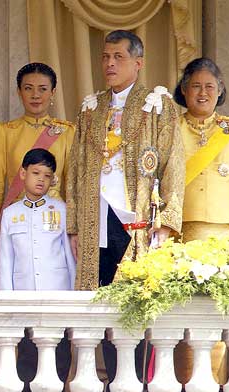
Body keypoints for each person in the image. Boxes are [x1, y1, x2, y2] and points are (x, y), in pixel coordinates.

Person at [66, 30, 185, 291]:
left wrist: (166, 223)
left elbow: (173, 165)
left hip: (137, 215)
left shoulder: (157, 105)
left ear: (138, 63)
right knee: (96, 292)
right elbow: (74, 168)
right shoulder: (91, 108)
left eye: (118, 57)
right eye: (105, 57)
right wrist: (73, 226)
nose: (110, 63)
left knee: (134, 295)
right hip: (95, 216)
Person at [172, 57, 229, 385]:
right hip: (182, 234)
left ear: (220, 90)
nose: (203, 92)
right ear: (184, 90)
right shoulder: (170, 129)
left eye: (210, 86)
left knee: (220, 310)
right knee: (182, 311)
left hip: (226, 236)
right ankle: (184, 386)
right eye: (196, 86)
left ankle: (216, 387)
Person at [0, 63, 74, 284]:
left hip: (54, 223)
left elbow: (72, 187)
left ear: (53, 92)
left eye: (43, 89)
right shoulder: (5, 132)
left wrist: (74, 231)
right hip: (17, 224)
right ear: (19, 91)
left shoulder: (66, 132)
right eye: (28, 88)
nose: (35, 95)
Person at [0, 148, 75, 290]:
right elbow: (6, 260)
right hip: (24, 291)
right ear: (23, 173)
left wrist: (75, 294)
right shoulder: (10, 214)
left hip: (57, 290)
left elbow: (71, 257)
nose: (41, 179)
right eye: (36, 173)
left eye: (47, 175)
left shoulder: (62, 210)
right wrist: (6, 297)